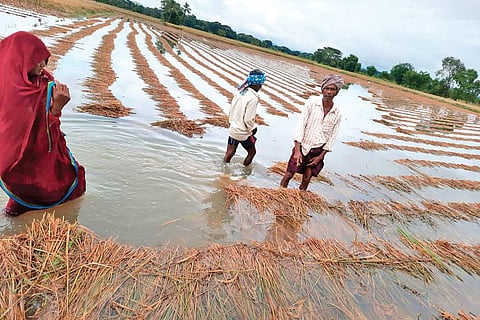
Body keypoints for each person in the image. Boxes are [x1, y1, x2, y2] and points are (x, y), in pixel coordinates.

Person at [0, 31, 86, 215]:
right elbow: (24, 134)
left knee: (69, 181)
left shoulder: (42, 83)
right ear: (22, 59)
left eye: (45, 59)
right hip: (22, 160)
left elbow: (45, 132)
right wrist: (55, 110)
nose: (43, 65)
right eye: (37, 60)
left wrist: (55, 107)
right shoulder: (9, 90)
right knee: (29, 198)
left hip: (42, 157)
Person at [280, 74, 344, 191]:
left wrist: (320, 157)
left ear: (336, 92)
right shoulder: (311, 104)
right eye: (327, 88)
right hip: (303, 147)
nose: (329, 92)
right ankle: (280, 193)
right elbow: (301, 126)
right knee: (289, 174)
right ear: (322, 89)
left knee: (306, 179)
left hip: (317, 151)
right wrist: (297, 151)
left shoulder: (337, 113)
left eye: (332, 89)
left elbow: (332, 137)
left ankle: (299, 200)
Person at [223, 69, 266, 166]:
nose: (261, 86)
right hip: (243, 132)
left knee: (229, 153)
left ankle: (224, 171)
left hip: (234, 128)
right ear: (256, 84)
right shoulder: (253, 98)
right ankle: (244, 175)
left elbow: (232, 110)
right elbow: (248, 119)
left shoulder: (240, 92)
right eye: (260, 84)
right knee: (252, 152)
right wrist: (253, 128)